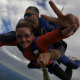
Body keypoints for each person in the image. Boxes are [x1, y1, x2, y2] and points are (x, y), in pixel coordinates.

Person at [0, 18, 77, 80]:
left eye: (27, 35)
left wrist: (69, 28)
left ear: (32, 34)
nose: (23, 40)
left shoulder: (39, 41)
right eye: (19, 36)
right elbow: (1, 42)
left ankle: (71, 62)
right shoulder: (17, 41)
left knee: (67, 78)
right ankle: (35, 64)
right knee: (29, 66)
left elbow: (57, 34)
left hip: (50, 64)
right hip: (36, 62)